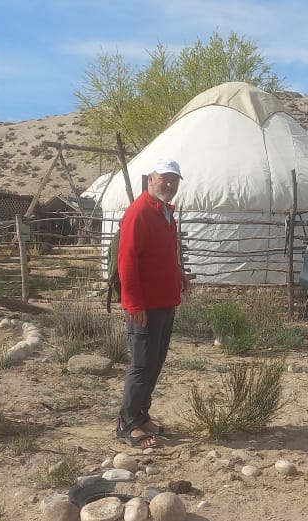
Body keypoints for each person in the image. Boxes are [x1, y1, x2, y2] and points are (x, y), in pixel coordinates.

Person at [115, 159, 188, 449]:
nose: (170, 185)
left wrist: (178, 273)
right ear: (151, 179)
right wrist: (134, 305)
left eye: (174, 180)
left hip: (165, 301)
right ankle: (127, 423)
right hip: (145, 306)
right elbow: (127, 263)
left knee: (155, 363)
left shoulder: (165, 212)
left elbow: (161, 254)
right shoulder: (139, 212)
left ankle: (142, 416)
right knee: (142, 365)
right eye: (165, 179)